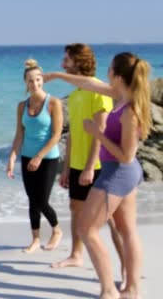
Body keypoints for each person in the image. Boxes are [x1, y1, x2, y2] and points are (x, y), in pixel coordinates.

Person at [46, 52, 150, 299]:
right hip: (124, 173)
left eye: (110, 68)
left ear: (117, 75)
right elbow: (86, 83)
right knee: (127, 231)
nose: (106, 73)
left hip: (118, 173)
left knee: (87, 229)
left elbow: (126, 155)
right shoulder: (121, 96)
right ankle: (131, 289)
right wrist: (57, 75)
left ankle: (109, 291)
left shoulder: (129, 110)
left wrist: (97, 133)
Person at [50, 44, 125, 284]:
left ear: (78, 61)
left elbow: (100, 131)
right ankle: (76, 254)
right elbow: (72, 133)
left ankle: (125, 270)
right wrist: (66, 167)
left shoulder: (98, 91)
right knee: (75, 209)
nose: (63, 63)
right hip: (77, 165)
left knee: (113, 219)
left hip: (99, 166)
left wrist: (90, 167)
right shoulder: (75, 94)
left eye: (67, 59)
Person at [6, 59, 63, 253]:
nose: (35, 84)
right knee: (32, 200)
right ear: (26, 83)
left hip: (47, 158)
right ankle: (36, 239)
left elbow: (56, 135)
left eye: (38, 79)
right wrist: (13, 157)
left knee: (42, 200)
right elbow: (19, 134)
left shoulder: (53, 102)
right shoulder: (22, 106)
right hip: (27, 157)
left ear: (43, 80)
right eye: (31, 80)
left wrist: (39, 156)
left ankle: (56, 230)